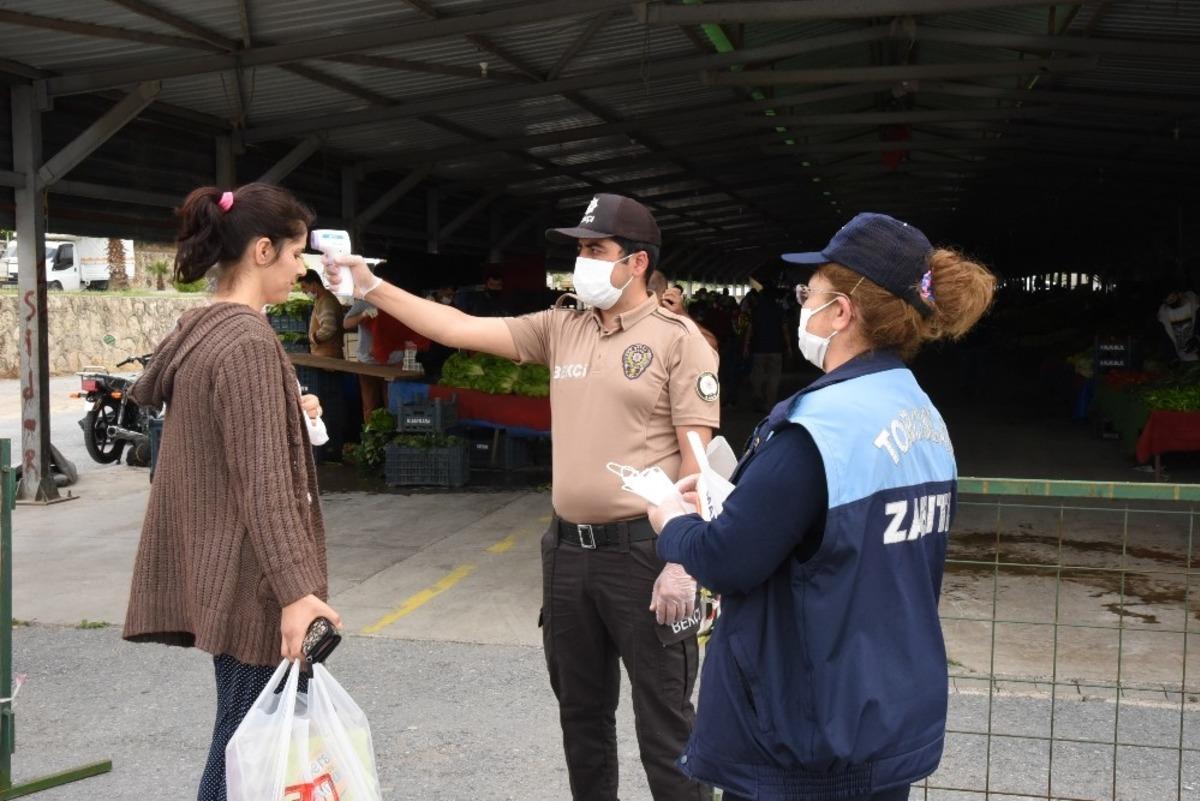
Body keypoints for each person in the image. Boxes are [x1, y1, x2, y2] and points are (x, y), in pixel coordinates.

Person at [329, 193, 719, 801]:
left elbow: (699, 462)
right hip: (567, 553)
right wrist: (371, 286)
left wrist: (682, 561)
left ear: (637, 262)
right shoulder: (561, 326)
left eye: (596, 250)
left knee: (666, 731)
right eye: (579, 249)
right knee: (582, 721)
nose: (581, 261)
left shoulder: (679, 340)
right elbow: (458, 327)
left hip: (645, 556)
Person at [645, 212, 996, 801]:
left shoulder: (818, 429)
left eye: (812, 292)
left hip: (803, 730)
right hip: (882, 713)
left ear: (843, 312)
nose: (802, 302)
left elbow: (728, 560)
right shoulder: (922, 416)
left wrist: (671, 521)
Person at [123, 183, 342, 801]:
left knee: (247, 744)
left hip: (231, 571)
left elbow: (228, 453)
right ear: (264, 250)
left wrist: (287, 414)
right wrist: (298, 593)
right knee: (249, 754)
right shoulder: (245, 342)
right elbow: (263, 486)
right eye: (298, 255)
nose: (302, 271)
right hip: (256, 587)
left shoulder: (204, 330)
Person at [743, 285, 794, 411]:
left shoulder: (756, 310)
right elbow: (785, 330)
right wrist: (789, 347)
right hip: (776, 349)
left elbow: (750, 330)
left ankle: (758, 397)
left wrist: (746, 346)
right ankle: (769, 404)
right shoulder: (779, 310)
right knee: (774, 377)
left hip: (758, 348)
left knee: (757, 375)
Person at [344, 291, 385, 417]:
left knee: (392, 403)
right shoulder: (364, 302)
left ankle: (391, 435)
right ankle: (370, 435)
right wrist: (363, 315)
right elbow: (346, 324)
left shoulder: (397, 303)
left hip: (392, 362)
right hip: (367, 361)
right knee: (370, 404)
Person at [300, 268, 344, 359]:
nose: (303, 291)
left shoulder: (326, 301)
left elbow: (329, 328)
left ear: (314, 285)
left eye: (304, 287)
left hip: (328, 359)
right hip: (324, 357)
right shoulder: (320, 300)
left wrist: (311, 339)